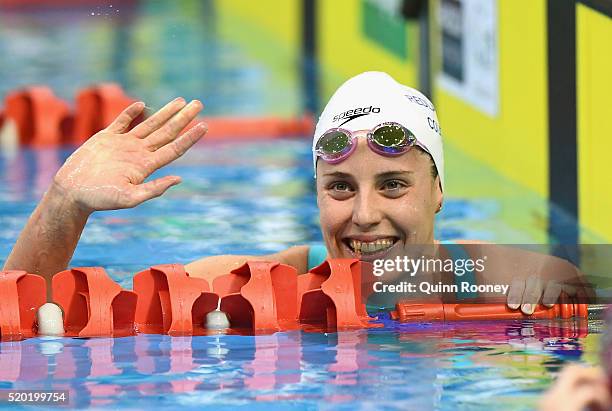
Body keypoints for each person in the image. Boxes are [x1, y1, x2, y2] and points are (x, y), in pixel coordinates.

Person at [2, 71, 585, 317]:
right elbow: (29, 324)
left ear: (438, 191)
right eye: (339, 186)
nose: (363, 215)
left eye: (393, 185)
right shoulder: (247, 286)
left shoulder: (530, 284)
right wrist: (63, 204)